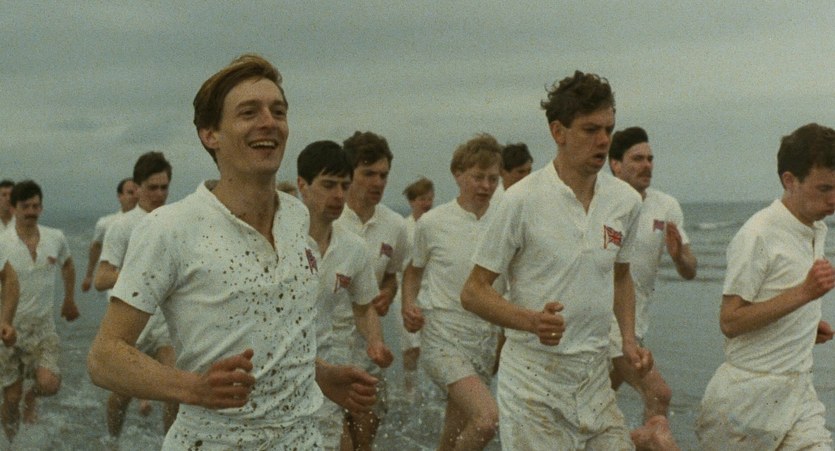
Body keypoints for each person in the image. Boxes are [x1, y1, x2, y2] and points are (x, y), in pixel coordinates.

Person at [87, 54, 377, 449]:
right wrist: (193, 388)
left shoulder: (296, 216)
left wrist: (321, 375)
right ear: (210, 134)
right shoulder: (171, 228)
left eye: (278, 111)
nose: (269, 122)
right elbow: (104, 358)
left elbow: (277, 332)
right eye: (248, 112)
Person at [460, 71, 656, 450]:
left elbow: (620, 278)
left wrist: (629, 340)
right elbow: (473, 292)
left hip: (593, 375)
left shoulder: (626, 202)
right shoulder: (520, 200)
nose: (603, 141)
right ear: (558, 132)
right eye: (590, 130)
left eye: (608, 129)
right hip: (533, 380)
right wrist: (531, 321)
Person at [696, 123, 835, 450]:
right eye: (824, 188)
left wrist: (803, 324)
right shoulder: (757, 234)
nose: (834, 199)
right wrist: (803, 294)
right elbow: (730, 321)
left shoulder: (817, 228)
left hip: (798, 392)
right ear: (790, 181)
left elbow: (778, 296)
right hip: (746, 401)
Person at [402, 134, 504, 450]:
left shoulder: (505, 221)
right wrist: (408, 305)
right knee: (487, 419)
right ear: (458, 174)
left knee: (455, 433)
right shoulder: (433, 223)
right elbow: (413, 272)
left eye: (493, 179)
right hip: (442, 337)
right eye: (478, 177)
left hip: (484, 340)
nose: (486, 186)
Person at [297, 140, 393, 450]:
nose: (339, 195)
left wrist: (375, 342)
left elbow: (364, 308)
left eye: (344, 185)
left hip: (327, 371)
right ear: (302, 186)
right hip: (281, 373)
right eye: (328, 185)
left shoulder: (353, 248)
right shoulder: (281, 241)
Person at [607, 127, 697, 429]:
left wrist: (678, 256)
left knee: (597, 402)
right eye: (637, 159)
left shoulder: (665, 206)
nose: (647, 165)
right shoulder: (602, 203)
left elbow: (690, 270)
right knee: (658, 394)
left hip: (636, 323)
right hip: (604, 321)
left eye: (650, 159)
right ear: (615, 164)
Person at [93, 152, 177, 439]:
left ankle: (171, 444)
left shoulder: (175, 222)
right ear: (138, 188)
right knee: (122, 395)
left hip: (165, 324)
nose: (159, 194)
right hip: (132, 323)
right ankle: (112, 441)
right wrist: (142, 276)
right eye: (152, 188)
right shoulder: (123, 226)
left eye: (164, 187)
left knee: (175, 386)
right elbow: (101, 278)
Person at [334, 130, 408, 451]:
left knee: (364, 442)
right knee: (337, 442)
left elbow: (392, 276)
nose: (378, 182)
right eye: (368, 174)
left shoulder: (395, 225)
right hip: (329, 347)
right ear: (349, 174)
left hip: (370, 348)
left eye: (383, 175)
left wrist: (389, 293)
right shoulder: (329, 220)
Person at [0, 180, 79, 442]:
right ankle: (10, 444)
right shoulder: (2, 242)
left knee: (49, 383)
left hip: (43, 328)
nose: (32, 211)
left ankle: (32, 396)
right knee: (11, 399)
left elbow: (68, 265)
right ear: (13, 208)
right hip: (10, 329)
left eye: (36, 206)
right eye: (26, 206)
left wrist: (69, 300)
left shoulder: (55, 237)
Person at [396, 176, 434, 402]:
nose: (426, 203)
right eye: (422, 199)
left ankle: (430, 391)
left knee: (428, 345)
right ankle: (409, 389)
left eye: (429, 198)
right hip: (406, 294)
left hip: (431, 293)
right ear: (412, 202)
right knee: (411, 346)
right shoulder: (404, 228)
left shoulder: (435, 226)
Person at [80, 178, 138, 293]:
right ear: (120, 196)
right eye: (130, 193)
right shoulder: (106, 223)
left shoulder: (149, 220)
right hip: (116, 284)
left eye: (137, 193)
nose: (135, 197)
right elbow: (96, 247)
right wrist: (89, 276)